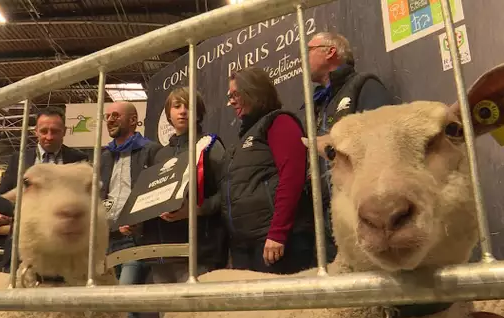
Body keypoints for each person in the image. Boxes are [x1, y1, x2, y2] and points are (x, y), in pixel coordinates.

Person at [305, 32, 395, 263]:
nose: (302, 59)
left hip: (363, 211)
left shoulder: (363, 85)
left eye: (309, 49)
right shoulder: (318, 104)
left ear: (330, 51)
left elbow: (383, 140)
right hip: (329, 215)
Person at [223, 67, 315, 274]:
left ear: (253, 91)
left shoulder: (280, 122)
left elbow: (292, 178)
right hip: (247, 245)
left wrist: (278, 233)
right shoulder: (244, 138)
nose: (231, 102)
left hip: (275, 243)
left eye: (235, 94)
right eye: (229, 96)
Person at [141, 87, 228, 284]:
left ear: (199, 112)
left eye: (189, 106)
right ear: (168, 113)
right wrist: (136, 221)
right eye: (177, 106)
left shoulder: (210, 146)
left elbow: (227, 193)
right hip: (163, 252)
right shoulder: (159, 154)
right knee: (167, 315)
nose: (182, 111)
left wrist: (196, 210)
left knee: (198, 314)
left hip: (199, 250)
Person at [0, 106, 89, 272]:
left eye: (55, 131)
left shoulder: (78, 159)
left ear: (64, 131)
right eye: (44, 131)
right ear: (35, 131)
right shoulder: (19, 159)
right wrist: (22, 209)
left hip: (64, 248)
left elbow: (86, 199)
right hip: (22, 246)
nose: (49, 137)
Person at [100, 101, 161, 318]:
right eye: (107, 116)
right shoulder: (104, 156)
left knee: (125, 308)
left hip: (135, 241)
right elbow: (100, 197)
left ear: (134, 120)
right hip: (107, 241)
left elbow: (158, 193)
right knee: (111, 311)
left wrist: (139, 222)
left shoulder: (151, 150)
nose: (110, 120)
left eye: (116, 115)